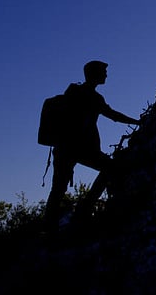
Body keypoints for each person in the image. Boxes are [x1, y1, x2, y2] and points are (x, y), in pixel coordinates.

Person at [43, 60, 140, 232]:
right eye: (103, 72)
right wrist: (138, 122)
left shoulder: (74, 93)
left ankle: (50, 228)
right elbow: (113, 115)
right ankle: (83, 210)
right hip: (79, 149)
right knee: (110, 168)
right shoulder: (92, 97)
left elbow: (111, 114)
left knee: (57, 189)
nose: (106, 75)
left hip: (66, 149)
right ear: (94, 74)